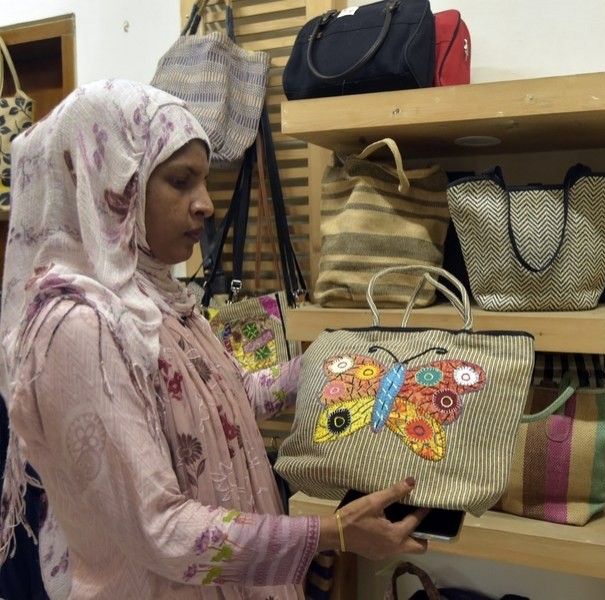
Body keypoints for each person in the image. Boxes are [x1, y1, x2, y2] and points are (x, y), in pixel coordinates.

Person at [0, 79, 427, 599]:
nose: (204, 204)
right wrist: (331, 533)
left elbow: (222, 409)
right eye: (180, 181)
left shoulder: (156, 299)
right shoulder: (77, 329)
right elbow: (161, 530)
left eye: (203, 182)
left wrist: (323, 364)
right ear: (108, 186)